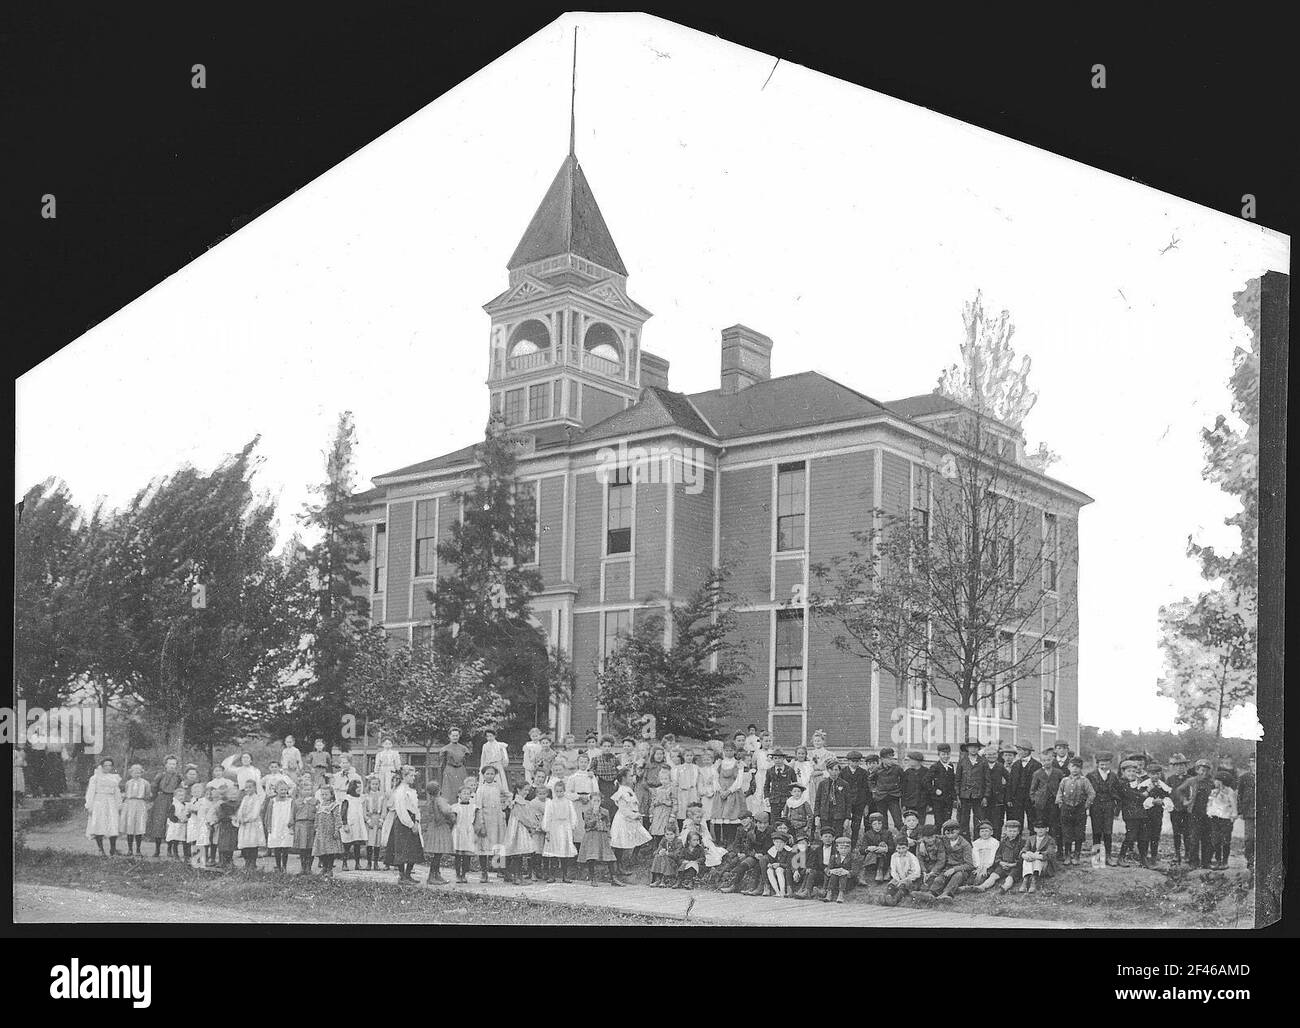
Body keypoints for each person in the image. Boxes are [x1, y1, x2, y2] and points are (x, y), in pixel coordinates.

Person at [610, 767, 652, 876]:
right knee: (620, 844)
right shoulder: (621, 791)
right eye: (630, 776)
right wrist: (635, 815)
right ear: (624, 778)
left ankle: (629, 861)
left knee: (641, 837)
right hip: (624, 820)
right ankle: (618, 867)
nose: (632, 778)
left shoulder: (628, 789)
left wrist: (636, 814)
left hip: (632, 819)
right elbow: (623, 810)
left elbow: (632, 805)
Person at [1055, 756, 1095, 866]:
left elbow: (1091, 794)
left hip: (1079, 810)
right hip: (1066, 809)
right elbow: (1059, 793)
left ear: (1081, 768)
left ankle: (1077, 855)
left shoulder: (1084, 780)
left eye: (1078, 767)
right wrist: (1060, 803)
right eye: (1073, 766)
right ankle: (1067, 855)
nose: (1075, 769)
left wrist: (1086, 805)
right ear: (1068, 767)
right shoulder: (1064, 780)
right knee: (1067, 833)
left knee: (1079, 833)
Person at [1175, 758, 1215, 869]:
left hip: (1208, 813)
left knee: (1208, 838)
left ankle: (1206, 862)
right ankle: (1193, 861)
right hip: (1194, 813)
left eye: (1206, 771)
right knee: (1194, 837)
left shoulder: (1212, 782)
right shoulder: (1191, 781)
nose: (1204, 773)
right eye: (1202, 770)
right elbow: (1179, 790)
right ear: (1197, 770)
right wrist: (1184, 801)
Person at [577, 795, 622, 886]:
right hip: (591, 836)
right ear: (591, 801)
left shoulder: (605, 811)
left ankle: (613, 878)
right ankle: (593, 878)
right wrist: (596, 815)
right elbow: (588, 824)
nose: (596, 802)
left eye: (598, 800)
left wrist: (609, 835)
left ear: (601, 801)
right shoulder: (587, 812)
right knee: (591, 857)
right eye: (594, 800)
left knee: (610, 857)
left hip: (603, 835)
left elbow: (608, 824)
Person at [1086, 752, 1121, 866]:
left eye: (1106, 764)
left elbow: (1117, 793)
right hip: (1095, 807)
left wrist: (1116, 810)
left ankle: (1108, 857)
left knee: (1108, 832)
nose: (1104, 767)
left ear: (1110, 764)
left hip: (1108, 807)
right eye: (1102, 764)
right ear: (1097, 764)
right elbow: (1087, 793)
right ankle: (1096, 858)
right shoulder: (1091, 776)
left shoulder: (1114, 776)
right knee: (1096, 832)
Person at [711, 742, 748, 846]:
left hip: (732, 793)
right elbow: (715, 777)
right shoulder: (719, 763)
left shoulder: (738, 764)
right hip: (721, 793)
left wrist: (729, 791)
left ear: (734, 751)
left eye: (731, 750)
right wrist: (720, 790)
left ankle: (730, 843)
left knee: (731, 818)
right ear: (723, 751)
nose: (728, 752)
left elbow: (739, 781)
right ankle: (718, 843)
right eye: (726, 750)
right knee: (719, 818)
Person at [926, 819, 974, 900]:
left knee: (957, 877)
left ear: (958, 831)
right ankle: (931, 893)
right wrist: (921, 844)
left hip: (961, 870)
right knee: (939, 879)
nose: (950, 834)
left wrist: (954, 869)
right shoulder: (944, 839)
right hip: (947, 868)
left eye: (953, 831)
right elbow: (930, 837)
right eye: (947, 831)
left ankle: (946, 894)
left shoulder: (965, 845)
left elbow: (969, 865)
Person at [542, 778, 579, 883]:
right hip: (554, 828)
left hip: (565, 829)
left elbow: (573, 816)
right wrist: (547, 830)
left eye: (561, 791)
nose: (559, 793)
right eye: (557, 791)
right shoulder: (551, 803)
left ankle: (565, 875)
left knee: (564, 853)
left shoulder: (568, 802)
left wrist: (572, 827)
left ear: (564, 791)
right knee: (553, 854)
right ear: (554, 791)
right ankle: (552, 875)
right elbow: (547, 817)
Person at [84, 757, 123, 856]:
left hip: (110, 802)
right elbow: (90, 792)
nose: (108, 767)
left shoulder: (114, 778)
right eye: (106, 765)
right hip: (99, 802)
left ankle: (113, 849)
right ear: (102, 766)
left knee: (112, 824)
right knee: (99, 824)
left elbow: (117, 792)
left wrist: (119, 804)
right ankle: (101, 849)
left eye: (110, 765)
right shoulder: (95, 777)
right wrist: (89, 805)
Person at [972, 820, 1023, 893]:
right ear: (1006, 831)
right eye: (1010, 831)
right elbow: (998, 855)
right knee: (993, 876)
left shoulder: (1021, 842)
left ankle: (1005, 887)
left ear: (1018, 832)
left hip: (1014, 866)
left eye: (1014, 831)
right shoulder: (1003, 842)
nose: (1012, 833)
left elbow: (1021, 857)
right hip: (1002, 865)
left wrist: (1013, 864)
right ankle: (982, 886)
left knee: (1010, 878)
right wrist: (1001, 862)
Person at [147, 755, 183, 857]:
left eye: (174, 764)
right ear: (166, 765)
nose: (172, 766)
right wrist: (153, 799)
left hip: (173, 800)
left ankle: (169, 850)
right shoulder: (160, 775)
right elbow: (154, 787)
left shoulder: (178, 776)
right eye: (170, 763)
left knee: (171, 823)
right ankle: (157, 850)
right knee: (159, 824)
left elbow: (180, 787)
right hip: (161, 799)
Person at [1116, 759, 1149, 867]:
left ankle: (1143, 859)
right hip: (1130, 814)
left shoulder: (1139, 782)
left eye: (1134, 771)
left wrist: (1145, 793)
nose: (1132, 773)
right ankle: (1121, 857)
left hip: (1141, 813)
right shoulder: (1122, 783)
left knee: (1143, 836)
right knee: (1130, 835)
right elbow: (1132, 795)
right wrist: (1144, 794)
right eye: (1129, 771)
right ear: (1123, 772)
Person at [954, 740, 987, 840]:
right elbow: (957, 780)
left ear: (978, 749)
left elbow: (987, 780)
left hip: (978, 795)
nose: (973, 749)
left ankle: (978, 840)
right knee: (963, 820)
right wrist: (957, 796)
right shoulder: (962, 761)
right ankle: (965, 840)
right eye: (971, 747)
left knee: (978, 819)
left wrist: (985, 796)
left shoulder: (983, 761)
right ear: (967, 749)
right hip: (964, 795)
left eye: (976, 747)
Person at [1005, 742, 1040, 833]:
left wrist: (1035, 798)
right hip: (1017, 797)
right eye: (1019, 750)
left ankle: (1033, 843)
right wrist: (1009, 798)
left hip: (1030, 797)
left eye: (1023, 750)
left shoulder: (1036, 765)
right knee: (1017, 821)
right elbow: (1010, 783)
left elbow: (1039, 784)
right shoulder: (1016, 764)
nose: (1020, 752)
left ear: (1028, 751)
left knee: (1032, 820)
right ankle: (1018, 843)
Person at [1206, 771, 1237, 870]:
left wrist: (1234, 814)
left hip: (1226, 818)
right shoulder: (1214, 791)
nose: (1215, 782)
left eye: (1217, 780)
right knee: (1216, 840)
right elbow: (1210, 803)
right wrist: (1209, 811)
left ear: (1221, 781)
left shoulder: (1230, 791)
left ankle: (1225, 861)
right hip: (1215, 818)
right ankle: (1218, 860)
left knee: (1225, 840)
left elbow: (1233, 804)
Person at [119, 763, 152, 856]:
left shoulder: (145, 783)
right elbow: (125, 793)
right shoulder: (128, 783)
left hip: (140, 804)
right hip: (129, 805)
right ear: (131, 773)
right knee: (130, 826)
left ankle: (138, 849)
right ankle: (130, 850)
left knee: (139, 827)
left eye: (138, 772)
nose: (136, 774)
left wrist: (145, 803)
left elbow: (148, 794)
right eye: (134, 772)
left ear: (141, 773)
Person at [881, 834, 924, 906]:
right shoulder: (894, 856)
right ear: (896, 848)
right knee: (892, 883)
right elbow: (893, 871)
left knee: (903, 885)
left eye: (903, 848)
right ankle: (887, 896)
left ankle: (895, 900)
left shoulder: (912, 857)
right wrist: (897, 879)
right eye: (899, 848)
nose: (901, 851)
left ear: (908, 847)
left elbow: (917, 873)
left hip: (911, 880)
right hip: (899, 878)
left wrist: (904, 880)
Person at [1165, 753, 1192, 865]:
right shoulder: (1170, 779)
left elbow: (1193, 793)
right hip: (1175, 810)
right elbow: (1167, 793)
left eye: (1182, 765)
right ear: (1174, 767)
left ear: (1186, 766)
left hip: (1187, 810)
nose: (1180, 767)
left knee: (1187, 832)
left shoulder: (1190, 779)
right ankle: (1177, 853)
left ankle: (1188, 853)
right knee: (1176, 832)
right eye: (1177, 765)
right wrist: (1169, 804)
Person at [263, 780, 296, 872]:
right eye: (281, 789)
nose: (283, 791)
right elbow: (268, 815)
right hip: (276, 826)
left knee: (285, 846)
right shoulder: (272, 801)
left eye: (285, 789)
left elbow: (292, 813)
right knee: (277, 846)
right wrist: (268, 826)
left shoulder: (290, 801)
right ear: (276, 790)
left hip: (286, 826)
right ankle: (278, 865)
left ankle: (284, 866)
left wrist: (291, 823)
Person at [840, 750, 871, 845]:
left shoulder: (863, 773)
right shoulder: (843, 772)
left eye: (857, 761)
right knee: (843, 823)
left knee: (856, 824)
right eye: (852, 761)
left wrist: (866, 805)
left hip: (859, 802)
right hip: (846, 802)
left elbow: (867, 789)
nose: (854, 763)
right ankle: (842, 843)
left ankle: (853, 844)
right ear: (848, 761)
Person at [814, 761, 852, 838]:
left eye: (836, 770)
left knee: (838, 836)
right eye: (832, 770)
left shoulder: (844, 784)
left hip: (838, 816)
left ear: (839, 771)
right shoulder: (822, 784)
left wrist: (847, 818)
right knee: (826, 835)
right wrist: (817, 815)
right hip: (825, 815)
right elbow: (818, 800)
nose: (834, 772)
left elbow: (848, 802)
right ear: (828, 770)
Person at [856, 810, 894, 885]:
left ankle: (879, 871)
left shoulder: (887, 833)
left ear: (882, 824)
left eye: (879, 824)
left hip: (885, 858)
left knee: (882, 847)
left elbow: (892, 847)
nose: (877, 826)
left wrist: (885, 849)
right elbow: (862, 850)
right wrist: (868, 848)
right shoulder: (868, 834)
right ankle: (863, 874)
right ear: (871, 825)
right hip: (872, 859)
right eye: (874, 824)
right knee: (872, 852)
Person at [871, 747, 904, 834]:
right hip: (881, 797)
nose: (890, 761)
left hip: (893, 797)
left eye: (892, 758)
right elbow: (870, 780)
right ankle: (885, 839)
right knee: (883, 822)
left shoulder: (897, 768)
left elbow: (904, 780)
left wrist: (899, 789)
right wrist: (874, 791)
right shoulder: (877, 769)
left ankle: (903, 839)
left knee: (898, 821)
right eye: (888, 759)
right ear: (882, 759)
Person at [1019, 821, 1057, 892]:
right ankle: (1025, 880)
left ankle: (1034, 880)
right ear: (1034, 829)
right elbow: (1025, 848)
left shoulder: (1050, 839)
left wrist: (1036, 855)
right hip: (1032, 861)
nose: (1040, 830)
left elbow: (1049, 853)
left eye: (1043, 828)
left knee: (1037, 860)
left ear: (1047, 829)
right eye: (1038, 828)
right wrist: (1024, 855)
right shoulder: (1031, 838)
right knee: (1026, 859)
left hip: (1044, 863)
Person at [292, 775, 317, 875]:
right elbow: (293, 815)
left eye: (309, 789)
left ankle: (309, 867)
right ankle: (303, 867)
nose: (307, 791)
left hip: (311, 825)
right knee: (302, 848)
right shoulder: (296, 802)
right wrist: (292, 826)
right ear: (301, 790)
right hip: (300, 826)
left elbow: (317, 813)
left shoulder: (315, 801)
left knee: (310, 847)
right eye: (305, 789)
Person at [899, 751, 931, 829]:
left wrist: (929, 803)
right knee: (910, 823)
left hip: (922, 804)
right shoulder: (907, 772)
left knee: (920, 824)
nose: (909, 761)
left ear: (917, 761)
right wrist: (903, 804)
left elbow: (928, 789)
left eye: (910, 759)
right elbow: (903, 789)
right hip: (909, 803)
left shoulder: (926, 772)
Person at [438, 729, 471, 802]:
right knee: (449, 791)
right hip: (450, 770)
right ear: (449, 736)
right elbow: (442, 763)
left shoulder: (463, 748)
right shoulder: (445, 749)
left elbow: (465, 761)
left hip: (460, 770)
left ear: (459, 736)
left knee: (462, 788)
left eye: (457, 735)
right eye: (453, 735)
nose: (455, 737)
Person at [929, 743, 956, 828]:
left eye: (947, 754)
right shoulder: (935, 767)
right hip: (938, 799)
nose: (946, 756)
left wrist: (953, 796)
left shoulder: (951, 766)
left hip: (948, 799)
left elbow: (952, 782)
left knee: (947, 820)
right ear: (939, 755)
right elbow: (925, 781)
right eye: (943, 754)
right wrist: (935, 790)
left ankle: (946, 838)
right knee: (939, 821)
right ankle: (938, 838)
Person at [822, 835, 854, 903]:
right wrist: (832, 871)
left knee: (843, 875)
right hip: (835, 878)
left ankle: (841, 894)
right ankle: (829, 893)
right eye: (841, 848)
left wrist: (846, 872)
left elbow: (855, 870)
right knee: (833, 875)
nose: (844, 850)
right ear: (837, 848)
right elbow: (828, 868)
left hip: (848, 879)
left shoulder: (852, 857)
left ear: (849, 848)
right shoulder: (834, 857)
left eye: (846, 848)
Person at [1239, 754, 1256, 871]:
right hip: (1249, 812)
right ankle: (1250, 861)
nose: (1255, 764)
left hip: (1264, 814)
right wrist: (1240, 810)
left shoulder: (1268, 776)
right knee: (1249, 838)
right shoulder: (1244, 777)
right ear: (1249, 763)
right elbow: (1239, 795)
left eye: (1257, 761)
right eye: (1253, 761)